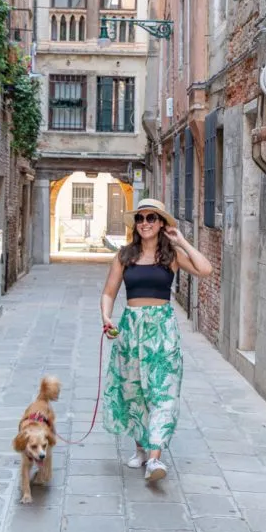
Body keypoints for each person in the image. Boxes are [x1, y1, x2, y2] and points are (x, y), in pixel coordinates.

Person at [100, 198, 212, 483]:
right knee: (133, 391)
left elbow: (205, 269)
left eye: (152, 218)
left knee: (163, 393)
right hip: (131, 328)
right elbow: (109, 292)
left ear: (161, 223)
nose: (145, 223)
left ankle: (154, 460)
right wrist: (106, 317)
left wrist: (183, 241)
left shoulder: (171, 255)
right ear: (136, 224)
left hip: (162, 330)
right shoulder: (124, 256)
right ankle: (141, 448)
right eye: (140, 218)